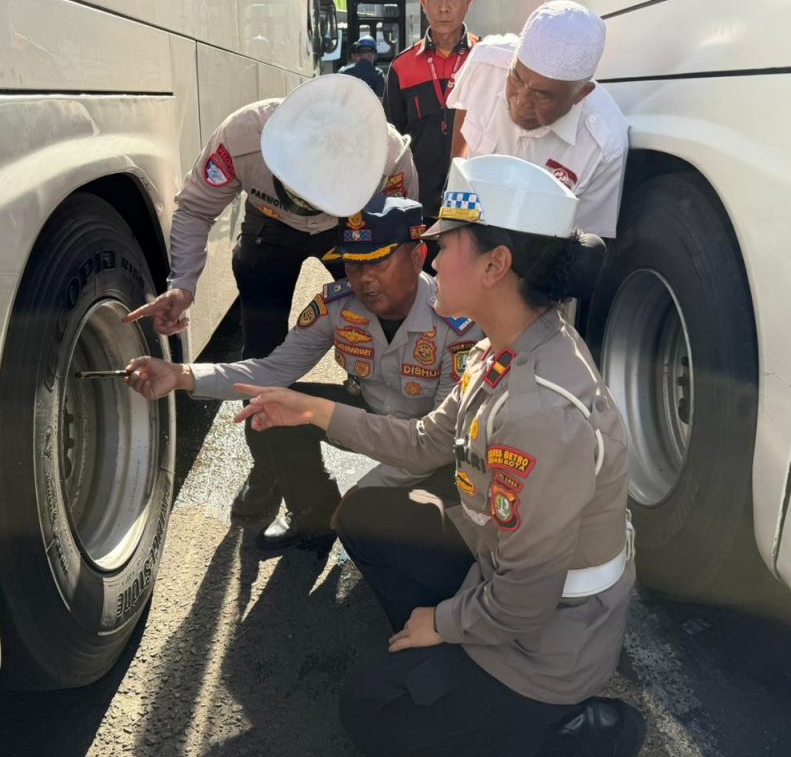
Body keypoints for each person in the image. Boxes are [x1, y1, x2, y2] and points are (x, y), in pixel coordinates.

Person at [232, 155, 645, 756]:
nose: (432, 258)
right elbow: (426, 440)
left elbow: (527, 598)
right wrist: (314, 410)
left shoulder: (537, 413)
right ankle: (450, 669)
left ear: (495, 265)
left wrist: (445, 623)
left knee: (370, 714)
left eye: (446, 245)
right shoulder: (507, 346)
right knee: (365, 517)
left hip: (547, 647)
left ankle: (575, 731)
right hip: (508, 586)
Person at [123, 75, 419, 519]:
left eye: (320, 199)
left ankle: (399, 444)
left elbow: (400, 245)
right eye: (300, 196)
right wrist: (182, 283)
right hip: (269, 230)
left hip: (351, 231)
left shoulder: (390, 158)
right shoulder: (241, 137)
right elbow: (196, 207)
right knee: (261, 349)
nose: (308, 211)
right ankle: (268, 466)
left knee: (383, 329)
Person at [124, 195, 481, 550]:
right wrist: (181, 374)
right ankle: (313, 515)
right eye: (353, 264)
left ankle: (375, 523)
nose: (364, 278)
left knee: (400, 536)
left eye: (378, 261)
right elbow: (271, 371)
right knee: (274, 405)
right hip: (368, 416)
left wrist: (362, 493)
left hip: (430, 444)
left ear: (417, 256)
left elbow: (438, 444)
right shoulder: (337, 305)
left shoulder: (459, 324)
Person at [448, 0, 628, 239]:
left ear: (581, 94)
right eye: (516, 78)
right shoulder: (485, 63)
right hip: (469, 224)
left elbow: (587, 241)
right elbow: (462, 128)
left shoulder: (604, 147)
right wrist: (452, 210)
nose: (521, 101)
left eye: (542, 95)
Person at [383, 0, 479, 263]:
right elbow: (390, 141)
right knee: (421, 281)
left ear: (469, 0)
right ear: (423, 2)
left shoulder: (485, 59)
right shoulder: (401, 66)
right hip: (419, 206)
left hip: (475, 207)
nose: (444, 7)